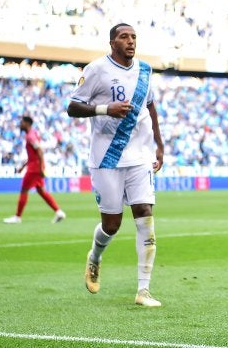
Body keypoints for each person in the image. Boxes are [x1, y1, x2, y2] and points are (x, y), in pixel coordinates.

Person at [67, 23, 165, 307]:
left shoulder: (145, 71)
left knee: (145, 214)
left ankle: (143, 290)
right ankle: (95, 256)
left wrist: (159, 143)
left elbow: (150, 106)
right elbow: (72, 106)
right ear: (112, 43)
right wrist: (104, 109)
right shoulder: (97, 70)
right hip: (107, 156)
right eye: (124, 37)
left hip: (140, 155)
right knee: (111, 224)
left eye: (134, 37)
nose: (131, 41)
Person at [3, 116, 66, 224]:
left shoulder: (30, 136)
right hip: (35, 166)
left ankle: (17, 217)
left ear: (27, 123)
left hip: (34, 168)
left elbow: (40, 151)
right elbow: (34, 154)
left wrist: (41, 167)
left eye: (22, 122)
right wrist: (23, 166)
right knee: (41, 191)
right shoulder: (33, 134)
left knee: (24, 190)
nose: (20, 124)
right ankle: (59, 212)